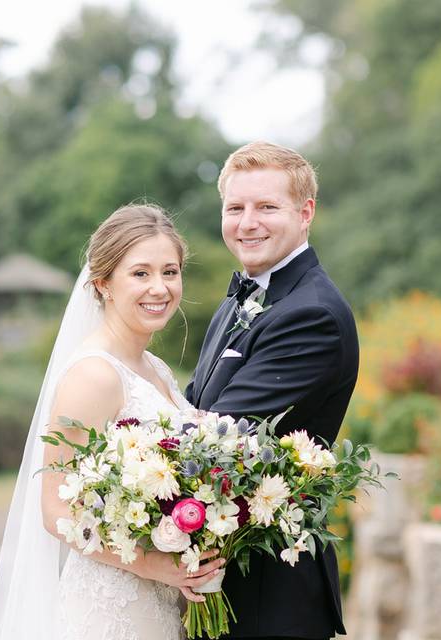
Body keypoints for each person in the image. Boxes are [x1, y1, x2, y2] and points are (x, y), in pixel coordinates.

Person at [0, 204, 224, 640]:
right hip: (112, 610)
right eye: (140, 273)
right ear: (103, 283)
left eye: (170, 272)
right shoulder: (94, 375)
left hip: (165, 603)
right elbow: (55, 510)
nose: (160, 287)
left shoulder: (156, 369)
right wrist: (152, 564)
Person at [185, 142, 359, 640]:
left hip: (270, 593)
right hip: (225, 578)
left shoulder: (312, 315)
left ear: (305, 213)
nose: (247, 222)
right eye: (235, 208)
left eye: (266, 207)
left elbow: (214, 437)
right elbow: (195, 402)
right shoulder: (243, 295)